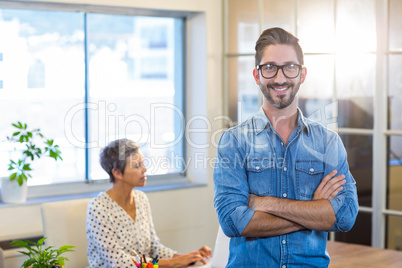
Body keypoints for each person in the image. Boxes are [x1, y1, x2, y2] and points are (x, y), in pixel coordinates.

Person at [213, 27, 359, 267]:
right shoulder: (234, 142)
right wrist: (314, 211)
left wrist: (265, 203)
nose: (280, 78)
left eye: (289, 67)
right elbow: (232, 221)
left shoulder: (328, 142)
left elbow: (344, 216)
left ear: (302, 74)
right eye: (269, 67)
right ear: (256, 75)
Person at [86, 138, 211, 267]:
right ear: (117, 173)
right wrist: (174, 262)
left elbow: (154, 248)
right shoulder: (98, 208)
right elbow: (119, 262)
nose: (144, 169)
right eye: (137, 166)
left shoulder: (141, 199)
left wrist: (188, 257)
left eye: (143, 163)